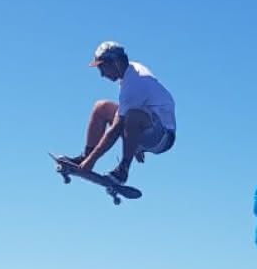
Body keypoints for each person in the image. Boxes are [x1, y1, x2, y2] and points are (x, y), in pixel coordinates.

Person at [69, 41, 176, 186]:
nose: (101, 74)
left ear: (116, 63)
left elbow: (115, 129)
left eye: (102, 68)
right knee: (101, 107)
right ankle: (85, 155)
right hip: (148, 123)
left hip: (163, 136)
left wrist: (92, 161)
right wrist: (134, 142)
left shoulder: (134, 84)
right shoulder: (130, 71)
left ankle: (122, 171)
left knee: (131, 116)